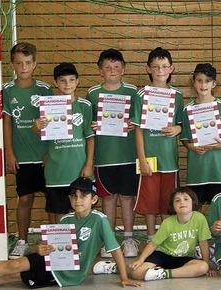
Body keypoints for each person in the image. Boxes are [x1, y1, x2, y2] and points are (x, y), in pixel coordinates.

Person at [0, 177, 142, 289]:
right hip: (50, 260)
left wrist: (123, 277)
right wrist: (38, 248)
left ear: (94, 200)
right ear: (69, 199)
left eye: (84, 196)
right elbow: (42, 247)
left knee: (12, 277)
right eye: (74, 196)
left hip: (66, 276)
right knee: (13, 265)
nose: (78, 200)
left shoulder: (100, 220)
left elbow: (115, 250)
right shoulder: (65, 220)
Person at [86, 49, 140, 258]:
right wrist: (93, 125)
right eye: (107, 67)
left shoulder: (134, 92)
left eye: (117, 67)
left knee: (127, 198)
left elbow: (138, 120)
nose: (112, 71)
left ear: (123, 69)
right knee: (107, 200)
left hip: (128, 156)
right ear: (100, 71)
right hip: (104, 158)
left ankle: (128, 238)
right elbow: (87, 125)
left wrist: (132, 124)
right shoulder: (92, 94)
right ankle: (109, 241)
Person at [2, 42, 53, 259]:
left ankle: (54, 241)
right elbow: (7, 122)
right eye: (19, 63)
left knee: (53, 200)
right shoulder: (7, 90)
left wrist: (51, 151)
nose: (24, 67)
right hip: (22, 156)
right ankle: (22, 241)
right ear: (12, 64)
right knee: (25, 199)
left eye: (28, 63)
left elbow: (54, 122)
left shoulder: (44, 89)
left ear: (35, 64)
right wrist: (9, 152)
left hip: (45, 156)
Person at [131, 47, 185, 242]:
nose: (160, 70)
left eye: (164, 66)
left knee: (168, 201)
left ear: (171, 68)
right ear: (148, 69)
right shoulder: (141, 95)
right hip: (149, 158)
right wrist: (142, 159)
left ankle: (167, 236)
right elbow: (138, 129)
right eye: (156, 66)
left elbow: (181, 124)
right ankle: (151, 237)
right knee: (149, 201)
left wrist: (178, 129)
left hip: (169, 159)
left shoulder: (177, 95)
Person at [32, 63, 95, 224]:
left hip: (78, 169)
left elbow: (90, 137)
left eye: (71, 80)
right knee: (57, 213)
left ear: (77, 81)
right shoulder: (48, 106)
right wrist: (36, 128)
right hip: (56, 171)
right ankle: (59, 248)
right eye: (62, 80)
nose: (67, 84)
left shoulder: (84, 106)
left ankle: (84, 245)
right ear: (55, 83)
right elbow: (45, 135)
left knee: (82, 210)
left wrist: (88, 164)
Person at [127, 187, 213, 281]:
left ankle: (164, 274)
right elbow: (153, 243)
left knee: (203, 267)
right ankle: (161, 272)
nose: (182, 202)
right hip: (162, 255)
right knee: (136, 272)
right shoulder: (167, 223)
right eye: (177, 200)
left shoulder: (200, 219)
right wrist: (140, 260)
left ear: (193, 202)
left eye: (186, 199)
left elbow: (203, 243)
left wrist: (207, 265)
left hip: (184, 257)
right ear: (173, 206)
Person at [180, 63, 221, 204]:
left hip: (218, 169)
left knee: (219, 208)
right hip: (197, 170)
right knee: (197, 209)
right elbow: (185, 138)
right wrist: (191, 147)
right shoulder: (187, 109)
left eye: (208, 81)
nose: (204, 85)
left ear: (214, 84)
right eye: (200, 80)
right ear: (194, 83)